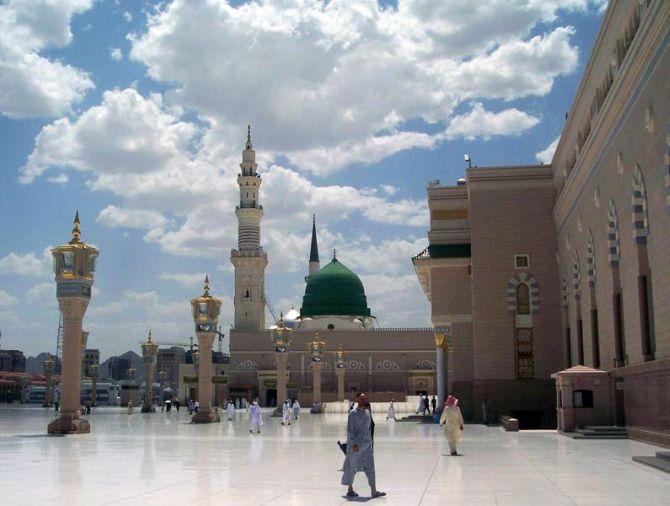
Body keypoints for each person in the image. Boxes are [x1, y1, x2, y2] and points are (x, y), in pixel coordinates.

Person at [341, 394, 385, 499]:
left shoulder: (367, 412)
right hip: (356, 446)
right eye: (361, 398)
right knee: (352, 467)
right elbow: (350, 430)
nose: (363, 399)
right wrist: (353, 444)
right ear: (357, 400)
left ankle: (373, 491)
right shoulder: (352, 414)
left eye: (364, 398)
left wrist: (370, 442)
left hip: (367, 445)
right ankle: (350, 489)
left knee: (370, 467)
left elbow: (369, 429)